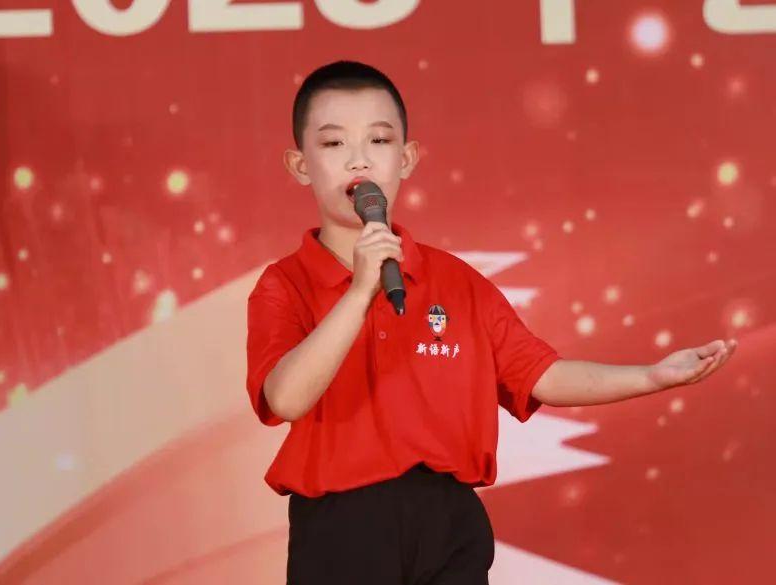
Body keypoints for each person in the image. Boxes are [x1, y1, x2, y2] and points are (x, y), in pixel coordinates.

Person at [246, 60, 737, 585]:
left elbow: (541, 375)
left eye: (380, 140)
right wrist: (361, 290)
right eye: (334, 143)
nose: (359, 159)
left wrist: (651, 376)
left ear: (406, 158)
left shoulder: (458, 283)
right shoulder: (284, 285)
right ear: (300, 165)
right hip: (342, 526)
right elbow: (286, 398)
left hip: (449, 520)